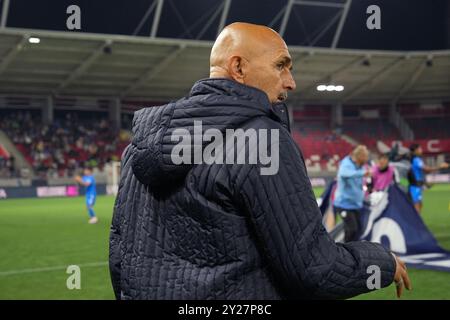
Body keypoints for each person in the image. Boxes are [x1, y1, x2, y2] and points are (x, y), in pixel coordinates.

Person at [109, 23, 410, 300]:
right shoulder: (264, 141)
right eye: (281, 66)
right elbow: (315, 270)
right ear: (238, 67)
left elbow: (120, 259)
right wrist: (381, 262)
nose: (291, 82)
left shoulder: (137, 149)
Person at [333, 146, 370, 243]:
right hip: (344, 204)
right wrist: (363, 173)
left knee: (358, 230)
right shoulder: (346, 164)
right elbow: (344, 173)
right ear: (360, 156)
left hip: (355, 205)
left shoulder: (360, 166)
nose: (367, 159)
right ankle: (346, 253)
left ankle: (352, 252)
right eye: (365, 157)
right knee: (352, 229)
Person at [408, 143, 448, 214]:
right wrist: (440, 166)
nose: (421, 150)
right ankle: (414, 223)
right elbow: (427, 169)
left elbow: (420, 173)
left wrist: (425, 184)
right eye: (420, 149)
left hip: (417, 186)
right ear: (415, 150)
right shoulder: (416, 160)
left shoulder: (414, 159)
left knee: (419, 205)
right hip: (415, 186)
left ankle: (415, 223)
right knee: (417, 206)